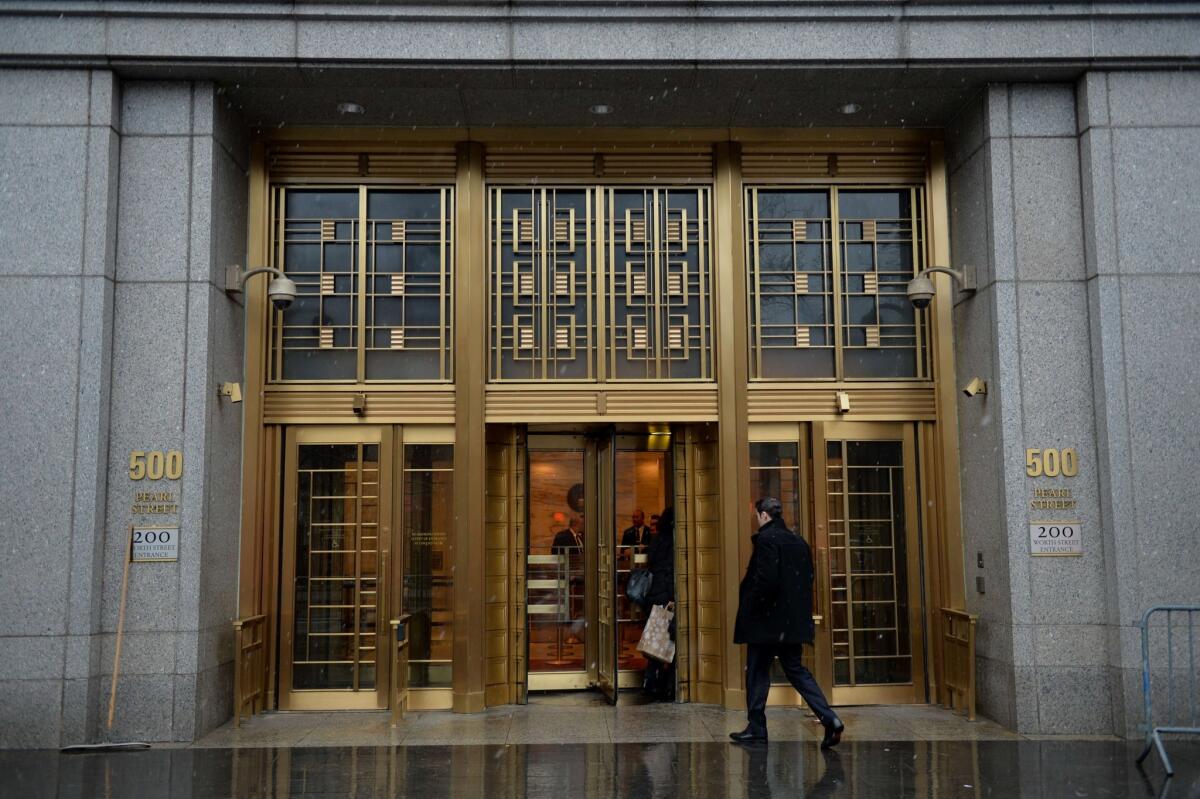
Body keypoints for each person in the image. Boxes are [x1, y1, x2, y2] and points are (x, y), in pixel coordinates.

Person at [730, 497, 844, 748]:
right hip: (790, 623)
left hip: (766, 623)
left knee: (757, 671)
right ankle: (830, 718)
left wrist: (750, 605)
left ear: (764, 515)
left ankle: (757, 726)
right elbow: (807, 580)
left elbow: (766, 581)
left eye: (757, 515)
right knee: (796, 671)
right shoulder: (798, 542)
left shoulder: (767, 540)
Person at [642, 507, 676, 701]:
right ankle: (666, 685)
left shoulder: (656, 542)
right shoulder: (673, 543)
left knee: (656, 643)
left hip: (654, 595)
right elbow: (670, 572)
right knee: (669, 641)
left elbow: (653, 565)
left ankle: (650, 682)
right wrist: (672, 598)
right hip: (666, 596)